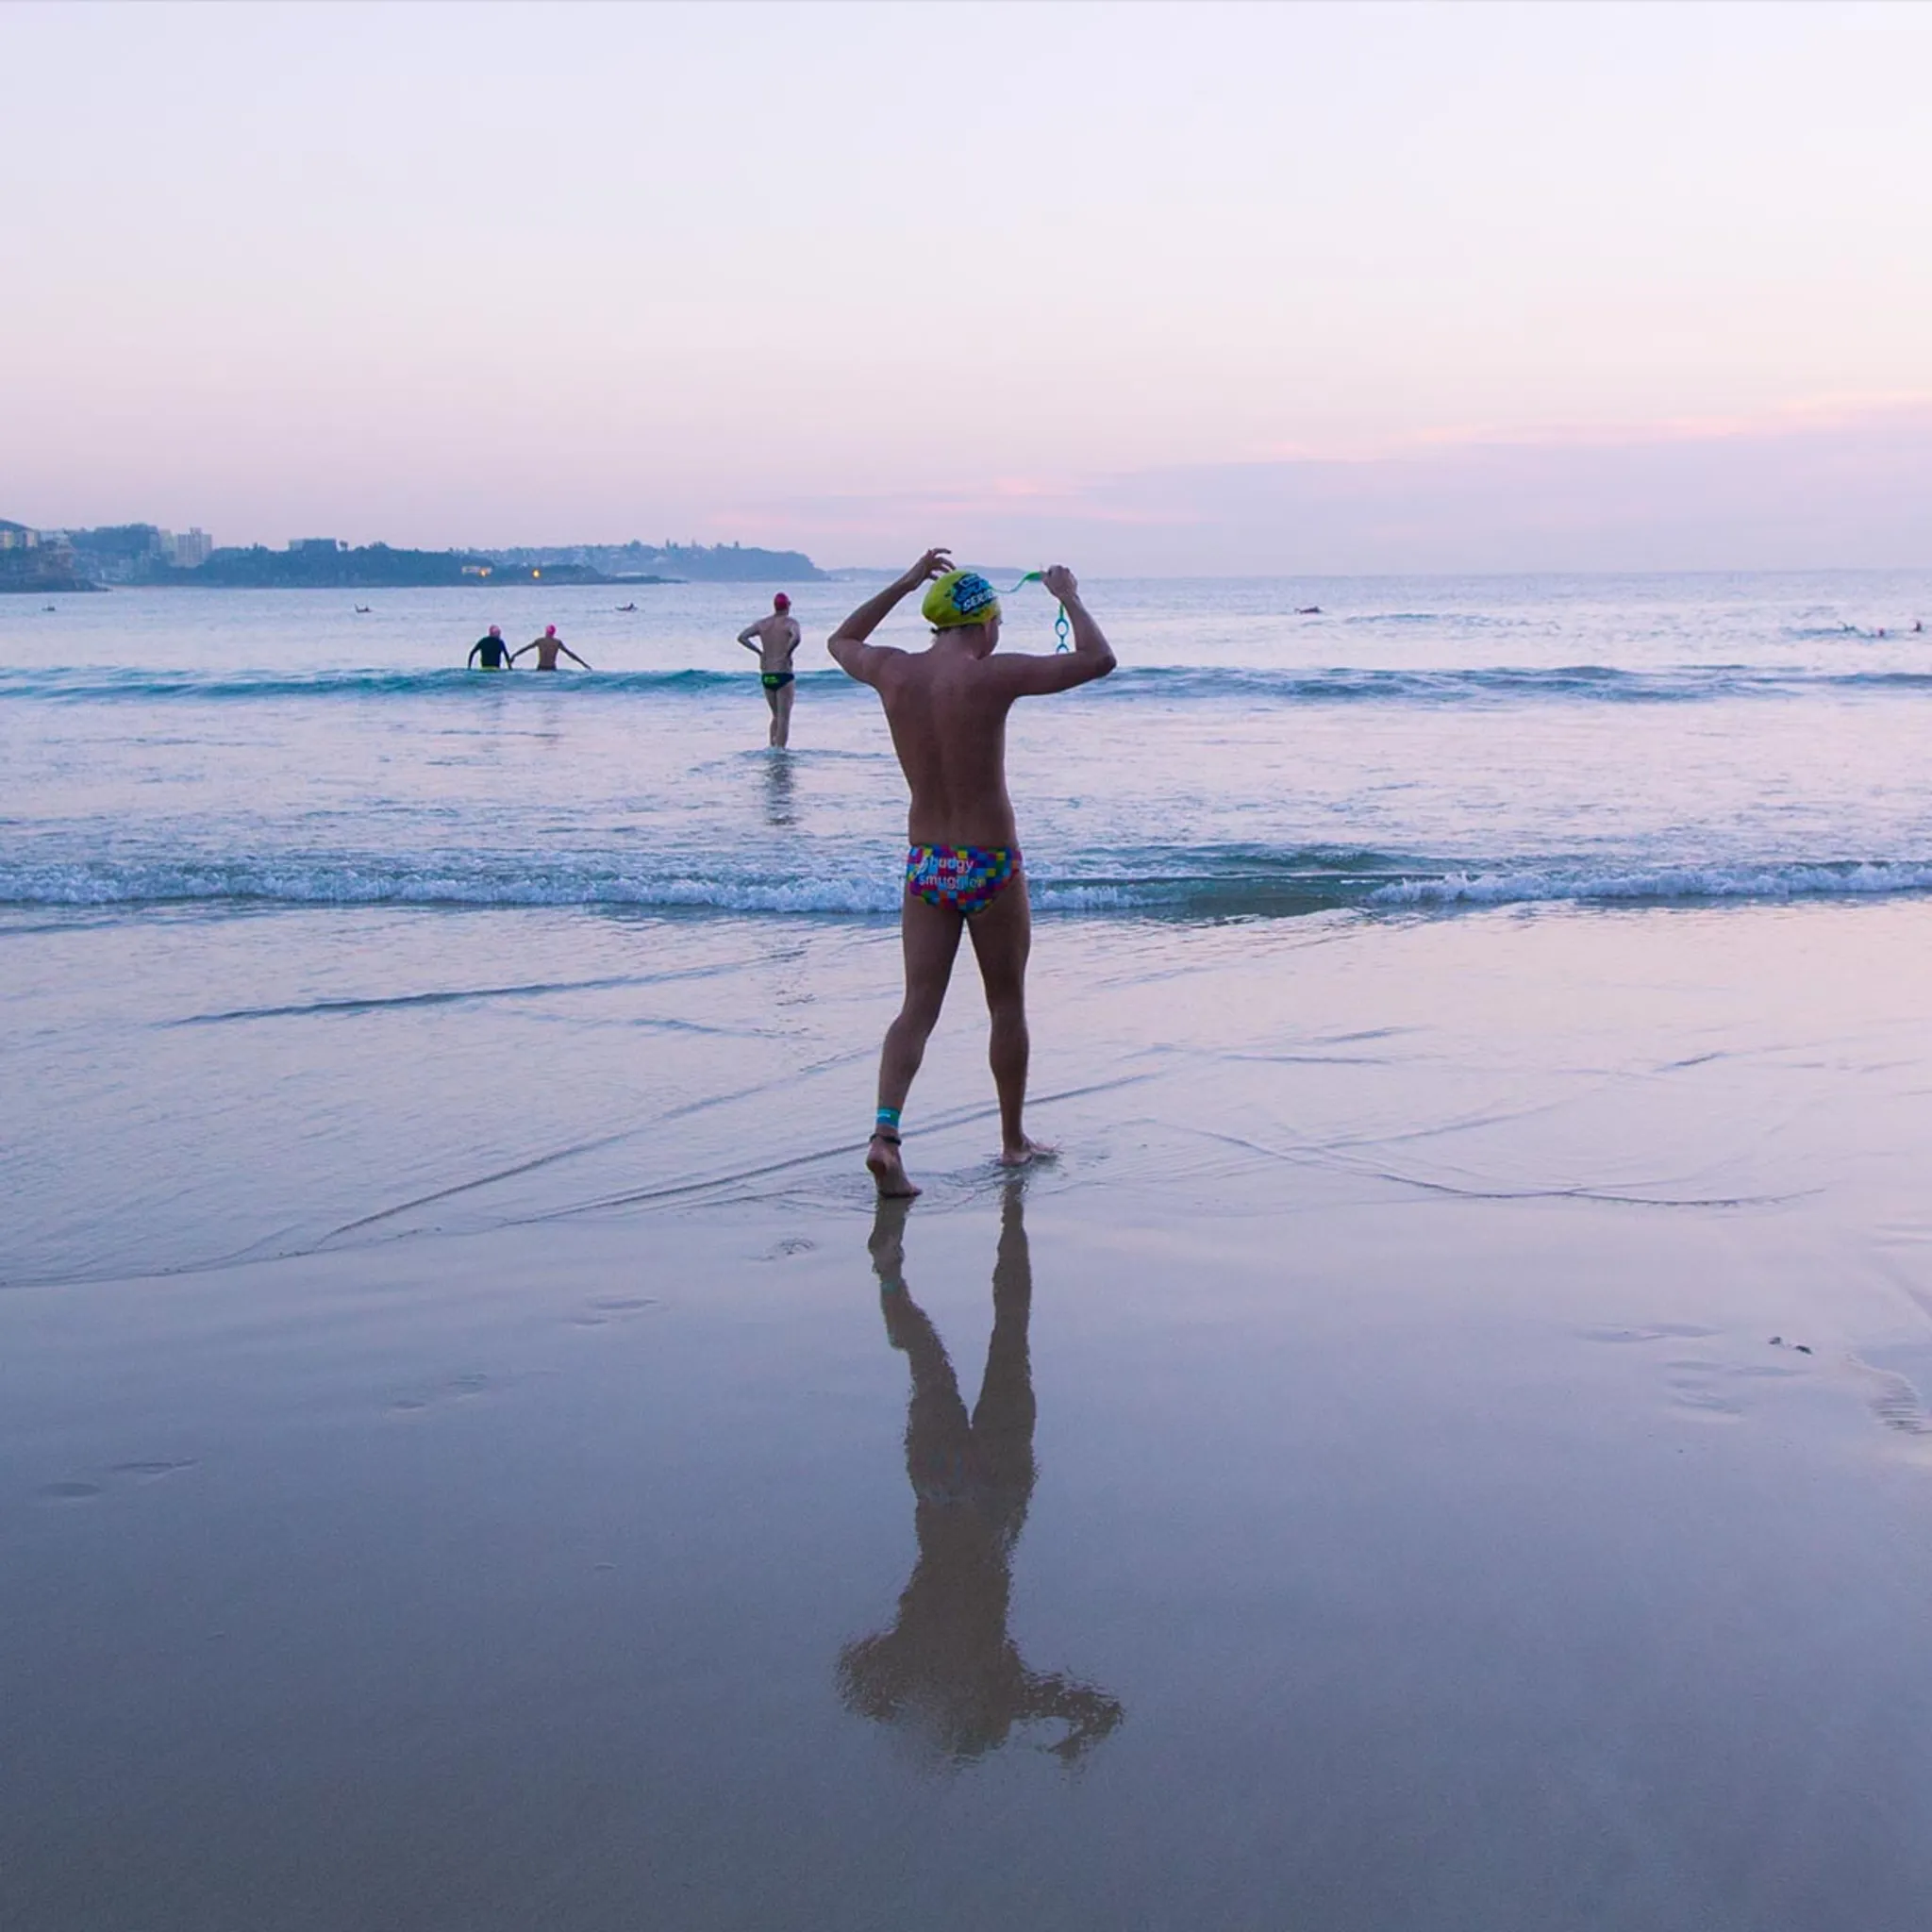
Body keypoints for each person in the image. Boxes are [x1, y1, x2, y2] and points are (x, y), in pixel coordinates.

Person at [828, 549, 1115, 1196]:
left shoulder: (893, 673)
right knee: (1006, 1004)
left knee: (916, 1009)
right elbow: (1099, 660)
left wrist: (903, 581)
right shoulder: (992, 676)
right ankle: (1013, 1142)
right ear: (982, 622)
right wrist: (1067, 596)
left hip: (927, 862)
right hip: (989, 864)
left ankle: (885, 1136)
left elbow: (841, 639)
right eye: (997, 623)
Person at [838, 1189, 1124, 1766]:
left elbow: (1103, 1711)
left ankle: (945, 1249)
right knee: (929, 1358)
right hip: (941, 1487)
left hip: (993, 1493)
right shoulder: (936, 1663)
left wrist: (1075, 1732)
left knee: (1007, 1332)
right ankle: (898, 1268)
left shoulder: (991, 1680)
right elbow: (854, 1670)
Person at [737, 591, 803, 747]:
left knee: (775, 716)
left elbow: (742, 637)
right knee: (784, 718)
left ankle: (772, 747)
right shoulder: (790, 623)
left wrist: (759, 652)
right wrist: (788, 652)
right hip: (783, 674)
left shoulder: (763, 624)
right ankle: (780, 753)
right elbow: (797, 637)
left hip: (767, 675)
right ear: (788, 606)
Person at [511, 624, 590, 672]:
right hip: (552, 668)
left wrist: (514, 655)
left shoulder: (540, 641)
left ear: (546, 632)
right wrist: (583, 664)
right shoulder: (557, 642)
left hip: (541, 668)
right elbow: (570, 654)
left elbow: (525, 649)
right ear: (553, 633)